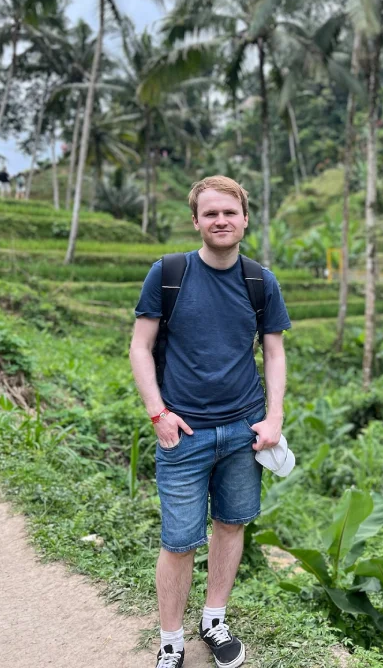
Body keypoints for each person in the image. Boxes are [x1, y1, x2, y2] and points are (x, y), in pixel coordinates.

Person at [129, 176, 292, 668]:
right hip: (184, 434)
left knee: (231, 524)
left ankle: (214, 619)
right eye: (210, 214)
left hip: (243, 432)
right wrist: (158, 413)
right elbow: (140, 347)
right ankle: (172, 641)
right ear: (196, 221)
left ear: (244, 219)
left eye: (230, 213)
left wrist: (274, 416)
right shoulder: (168, 273)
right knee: (178, 542)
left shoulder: (260, 281)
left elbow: (274, 352)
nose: (221, 220)